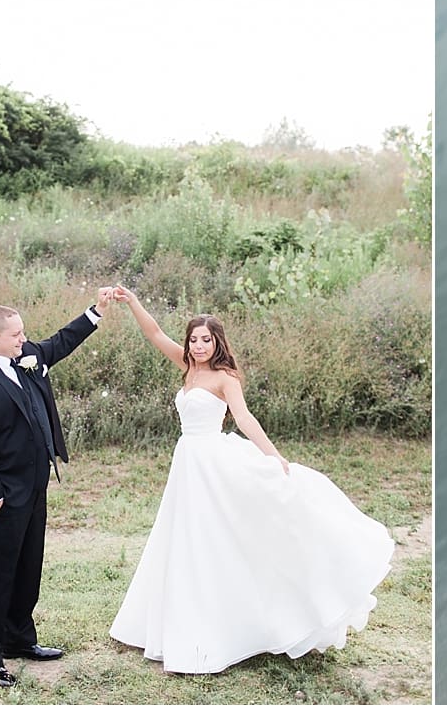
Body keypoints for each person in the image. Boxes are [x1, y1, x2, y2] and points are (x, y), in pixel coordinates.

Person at [107, 285, 395, 674]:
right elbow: (155, 333)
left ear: (217, 342)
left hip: (214, 459)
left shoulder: (226, 378)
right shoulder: (187, 367)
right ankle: (179, 618)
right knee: (186, 536)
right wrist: (133, 302)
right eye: (193, 340)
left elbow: (243, 418)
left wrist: (272, 454)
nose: (198, 346)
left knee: (222, 533)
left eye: (205, 340)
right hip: (189, 462)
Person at [0, 291, 112, 687]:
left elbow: (61, 341)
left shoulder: (26, 359)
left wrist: (96, 312)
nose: (24, 340)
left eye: (23, 333)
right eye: (17, 334)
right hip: (3, 496)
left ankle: (20, 639)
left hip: (35, 485)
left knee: (29, 566)